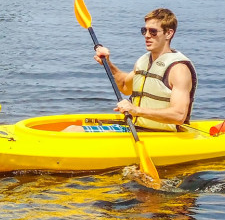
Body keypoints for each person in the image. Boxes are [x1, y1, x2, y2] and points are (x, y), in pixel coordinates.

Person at [67, 8, 197, 132]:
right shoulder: (143, 61)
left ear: (169, 33)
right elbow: (124, 86)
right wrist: (108, 63)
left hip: (160, 134)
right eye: (144, 31)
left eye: (153, 32)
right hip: (137, 128)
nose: (147, 36)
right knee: (71, 128)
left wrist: (136, 110)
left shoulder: (178, 69)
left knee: (73, 131)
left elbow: (179, 115)